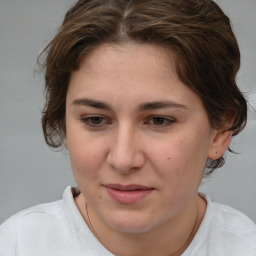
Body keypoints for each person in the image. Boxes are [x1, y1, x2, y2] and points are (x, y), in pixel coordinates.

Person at [0, 0, 255, 255]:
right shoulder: (15, 245)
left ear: (220, 131)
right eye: (95, 120)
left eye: (159, 120)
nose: (123, 160)